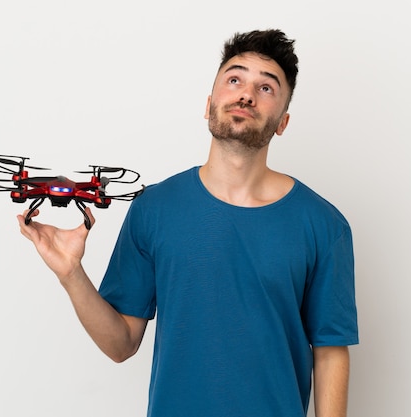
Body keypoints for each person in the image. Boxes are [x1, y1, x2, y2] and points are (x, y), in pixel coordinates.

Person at [18, 29, 358, 417]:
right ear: (209, 104)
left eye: (266, 88)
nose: (246, 94)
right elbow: (120, 345)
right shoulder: (155, 208)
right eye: (235, 79)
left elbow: (330, 352)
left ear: (282, 122)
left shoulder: (324, 226)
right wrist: (70, 273)